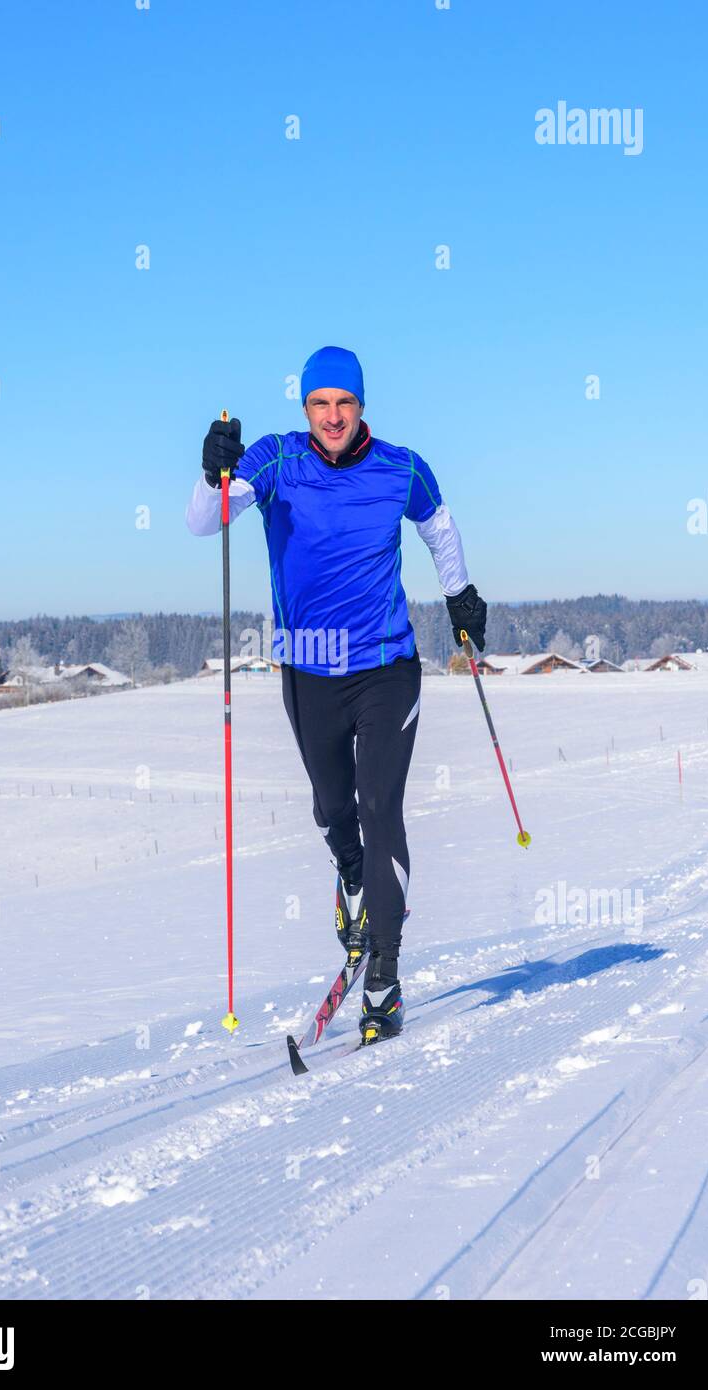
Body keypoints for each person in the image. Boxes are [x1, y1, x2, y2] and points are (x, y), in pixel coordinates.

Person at [186, 345, 486, 1042]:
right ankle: (350, 875)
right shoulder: (274, 459)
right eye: (319, 404)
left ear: (361, 407)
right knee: (333, 808)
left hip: (386, 666)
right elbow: (205, 522)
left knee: (381, 806)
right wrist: (210, 472)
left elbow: (437, 524)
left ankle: (383, 973)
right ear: (305, 408)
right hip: (306, 670)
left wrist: (459, 595)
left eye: (344, 403)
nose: (332, 416)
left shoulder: (400, 468)